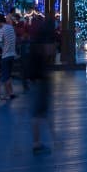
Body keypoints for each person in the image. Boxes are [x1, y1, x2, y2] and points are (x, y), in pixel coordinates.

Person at [26, 13, 55, 154]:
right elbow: (48, 53)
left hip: (35, 77)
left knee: (39, 111)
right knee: (39, 112)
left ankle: (39, 141)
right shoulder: (45, 39)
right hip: (41, 78)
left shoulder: (36, 39)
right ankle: (37, 143)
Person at [0, 12, 17, 101]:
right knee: (8, 75)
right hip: (12, 54)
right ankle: (11, 93)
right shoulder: (11, 28)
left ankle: (6, 95)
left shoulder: (2, 30)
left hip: (5, 55)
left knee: (5, 77)